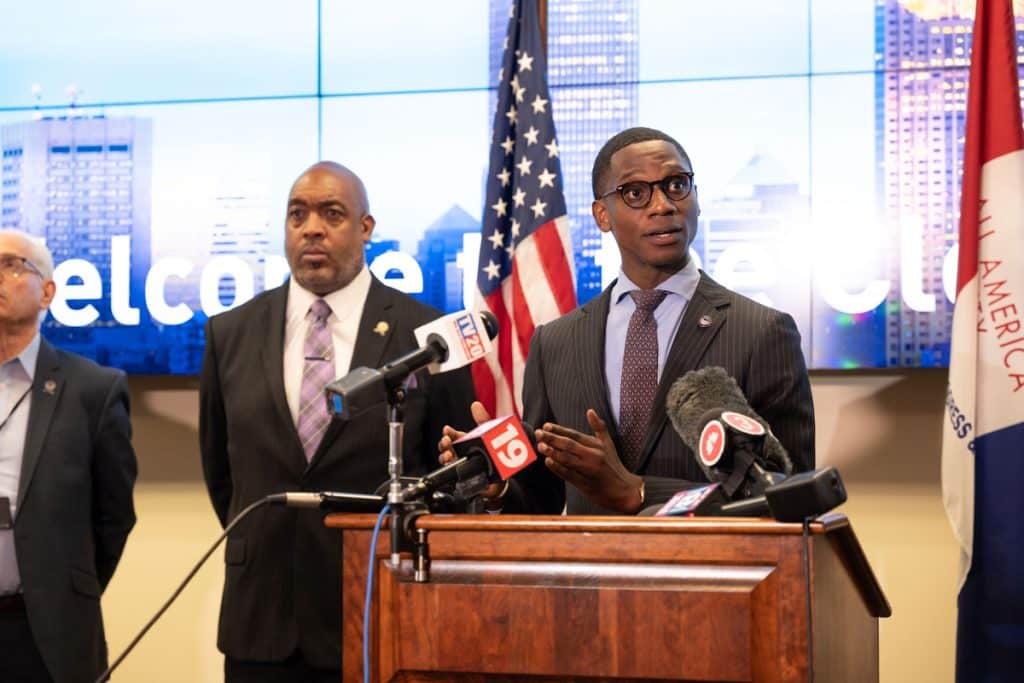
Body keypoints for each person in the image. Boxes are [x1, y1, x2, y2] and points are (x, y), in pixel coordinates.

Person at [441, 127, 814, 515]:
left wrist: (639, 492)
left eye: (676, 185)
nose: (663, 205)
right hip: (589, 572)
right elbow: (543, 500)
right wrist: (499, 489)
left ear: (697, 200)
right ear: (602, 215)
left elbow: (791, 494)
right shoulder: (555, 343)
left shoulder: (762, 332)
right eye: (635, 193)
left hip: (711, 572)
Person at [200, 161, 475, 682]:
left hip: (379, 613)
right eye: (297, 214)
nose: (311, 228)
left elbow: (454, 477)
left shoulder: (426, 335)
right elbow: (223, 475)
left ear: (366, 228)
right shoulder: (229, 333)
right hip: (261, 622)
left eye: (332, 214)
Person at [0, 230, 137, 683]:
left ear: (48, 292)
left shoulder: (92, 389)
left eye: (10, 264)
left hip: (47, 632)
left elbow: (113, 517)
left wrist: (61, 588)